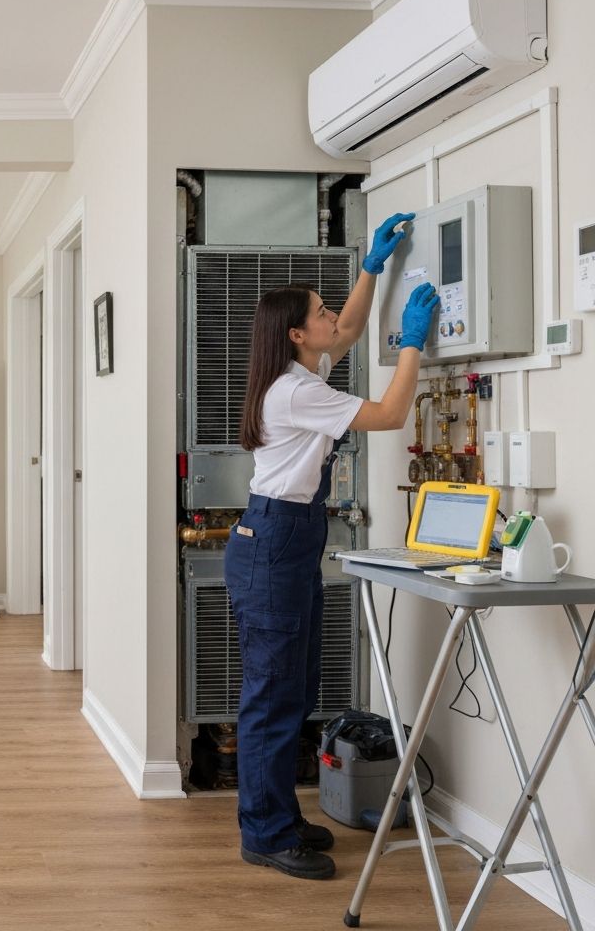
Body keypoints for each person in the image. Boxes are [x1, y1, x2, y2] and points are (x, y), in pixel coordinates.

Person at [223, 212, 439, 881]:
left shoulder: (297, 372)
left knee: (291, 690)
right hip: (276, 540)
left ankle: (279, 819)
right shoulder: (297, 391)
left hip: (284, 536)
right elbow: (391, 415)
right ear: (296, 334)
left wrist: (373, 267)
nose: (331, 318)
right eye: (320, 312)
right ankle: (265, 834)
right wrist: (411, 343)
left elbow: (347, 330)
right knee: (273, 697)